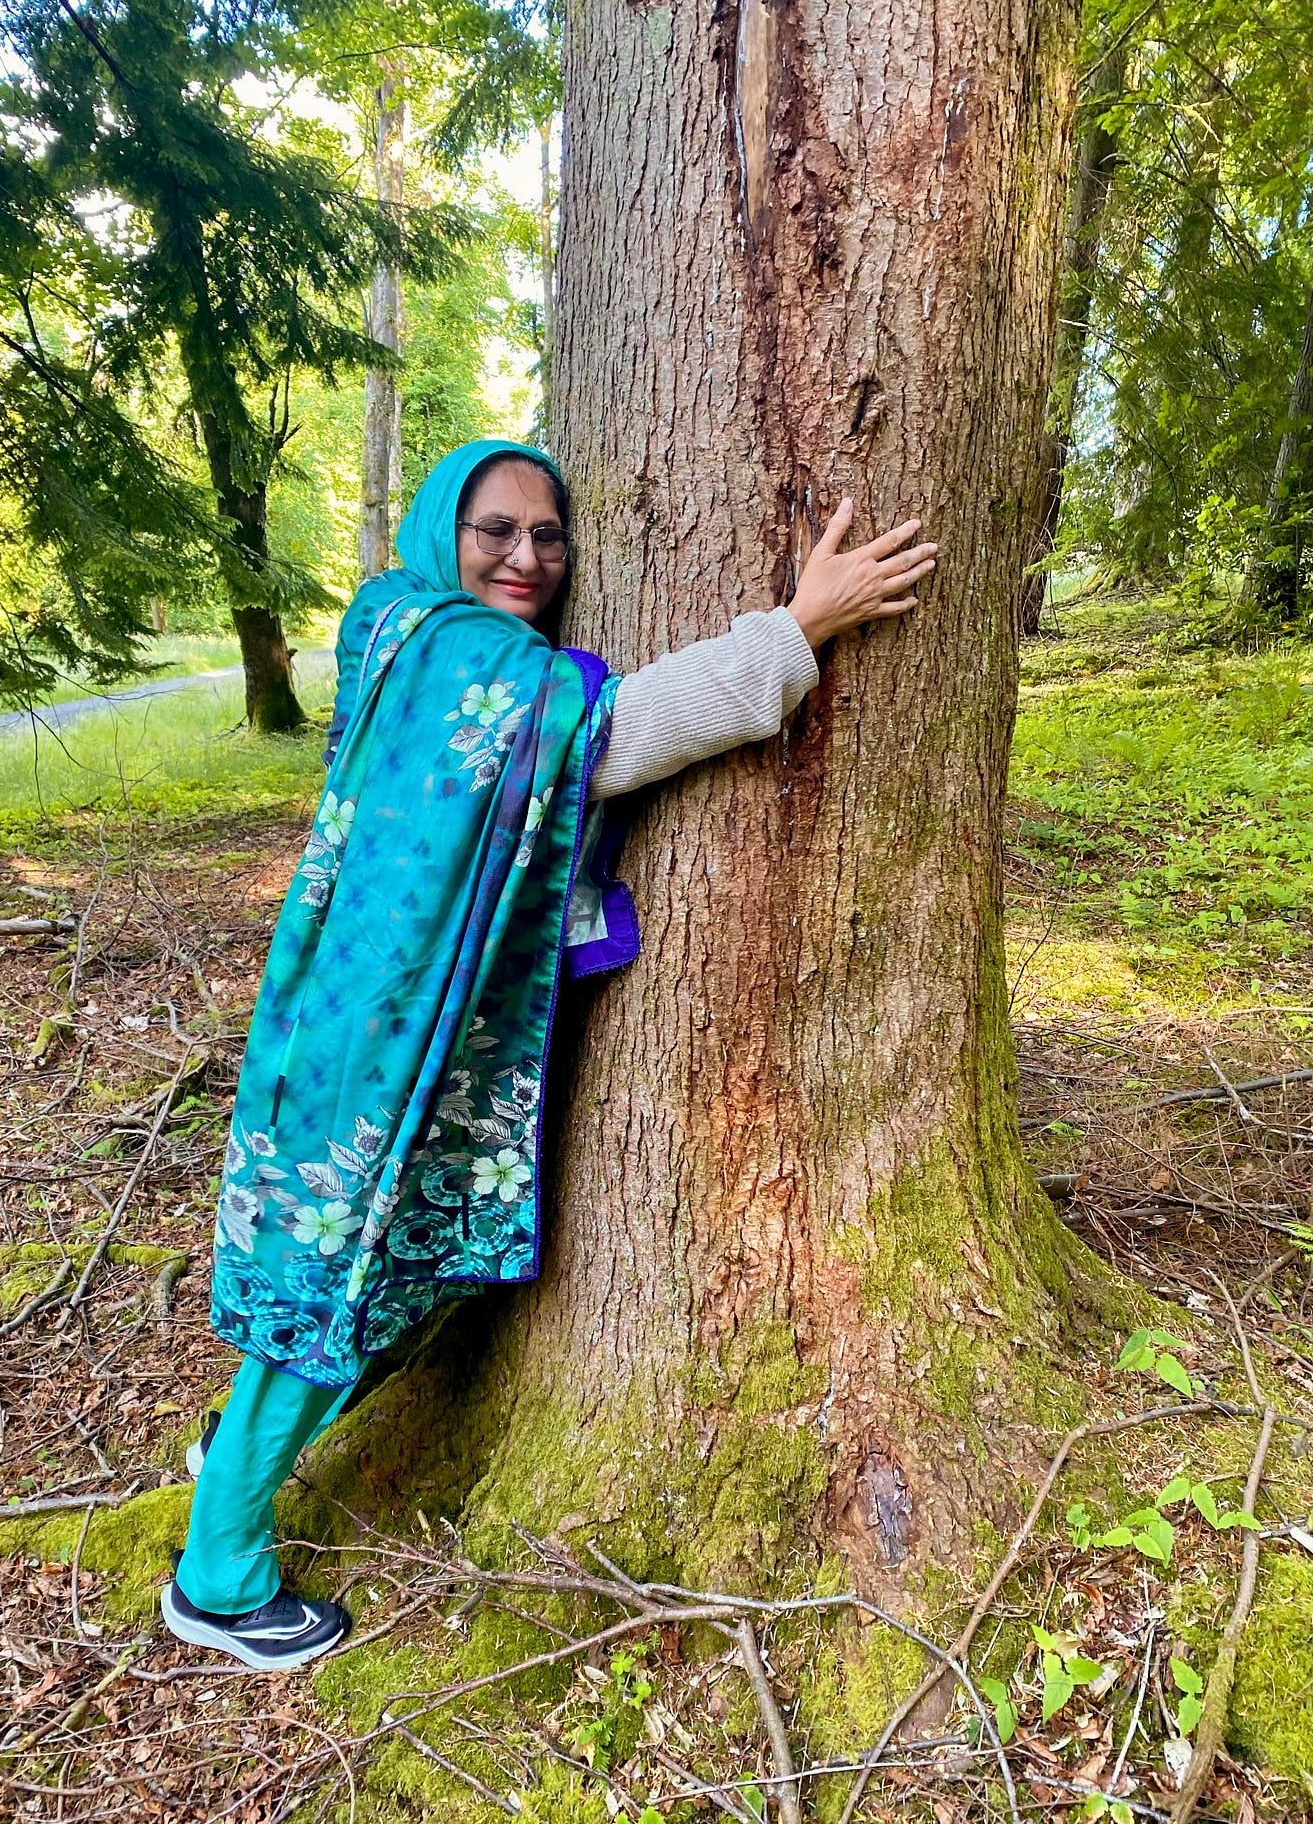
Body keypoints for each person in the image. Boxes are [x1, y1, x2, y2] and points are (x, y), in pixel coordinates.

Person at [161, 438, 936, 1669]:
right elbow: (608, 737)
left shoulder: (396, 628)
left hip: (361, 1004)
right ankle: (217, 1574)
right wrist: (796, 628)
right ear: (442, 533)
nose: (526, 556)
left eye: (548, 534)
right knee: (343, 1270)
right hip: (379, 1031)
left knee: (384, 1261)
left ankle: (240, 1449)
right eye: (496, 531)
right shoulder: (455, 652)